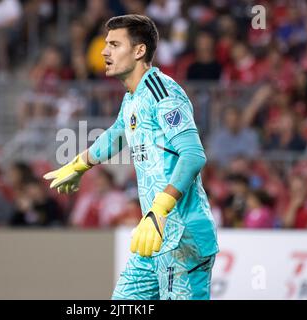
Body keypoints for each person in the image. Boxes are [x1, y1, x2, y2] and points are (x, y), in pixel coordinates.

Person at [44, 14, 218, 300]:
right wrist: (79, 164)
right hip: (153, 236)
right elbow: (117, 135)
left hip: (183, 238)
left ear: (139, 51)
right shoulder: (133, 98)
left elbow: (193, 155)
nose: (103, 51)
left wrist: (159, 208)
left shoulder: (164, 92)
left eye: (114, 44)